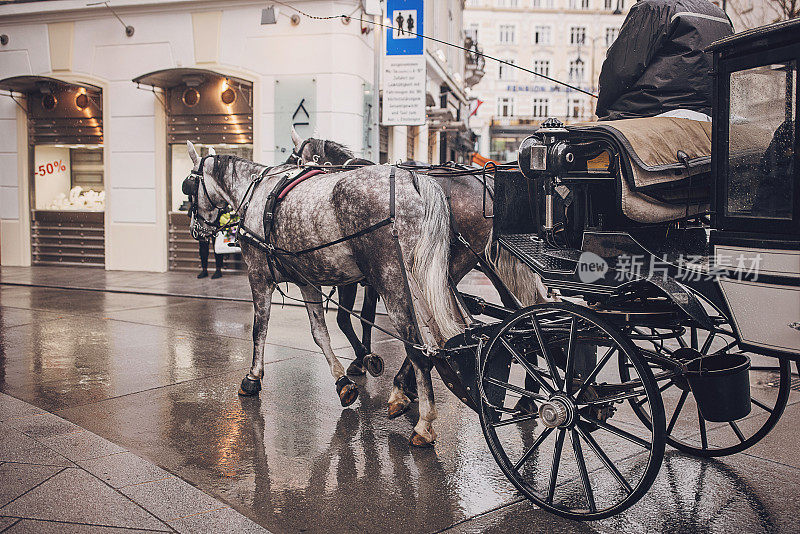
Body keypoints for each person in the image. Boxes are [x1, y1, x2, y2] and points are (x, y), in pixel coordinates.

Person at [596, 0, 733, 121]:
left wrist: (603, 109)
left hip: (652, 108)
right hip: (710, 112)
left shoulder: (653, 7)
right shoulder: (720, 14)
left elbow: (619, 70)